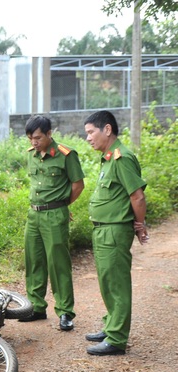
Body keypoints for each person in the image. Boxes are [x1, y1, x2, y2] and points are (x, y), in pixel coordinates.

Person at [83, 110, 148, 356]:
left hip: (114, 231)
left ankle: (117, 339)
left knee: (117, 284)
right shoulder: (108, 158)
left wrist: (140, 226)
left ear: (107, 130)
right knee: (106, 281)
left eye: (91, 132)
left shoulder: (122, 158)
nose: (88, 138)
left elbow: (137, 195)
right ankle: (111, 326)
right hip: (103, 230)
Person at [19, 116, 85, 331]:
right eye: (30, 138)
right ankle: (36, 307)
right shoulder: (32, 155)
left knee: (58, 264)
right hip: (33, 215)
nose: (34, 142)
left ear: (49, 134)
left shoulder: (66, 155)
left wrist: (62, 205)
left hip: (55, 214)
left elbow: (78, 185)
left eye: (37, 138)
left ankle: (65, 311)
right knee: (34, 261)